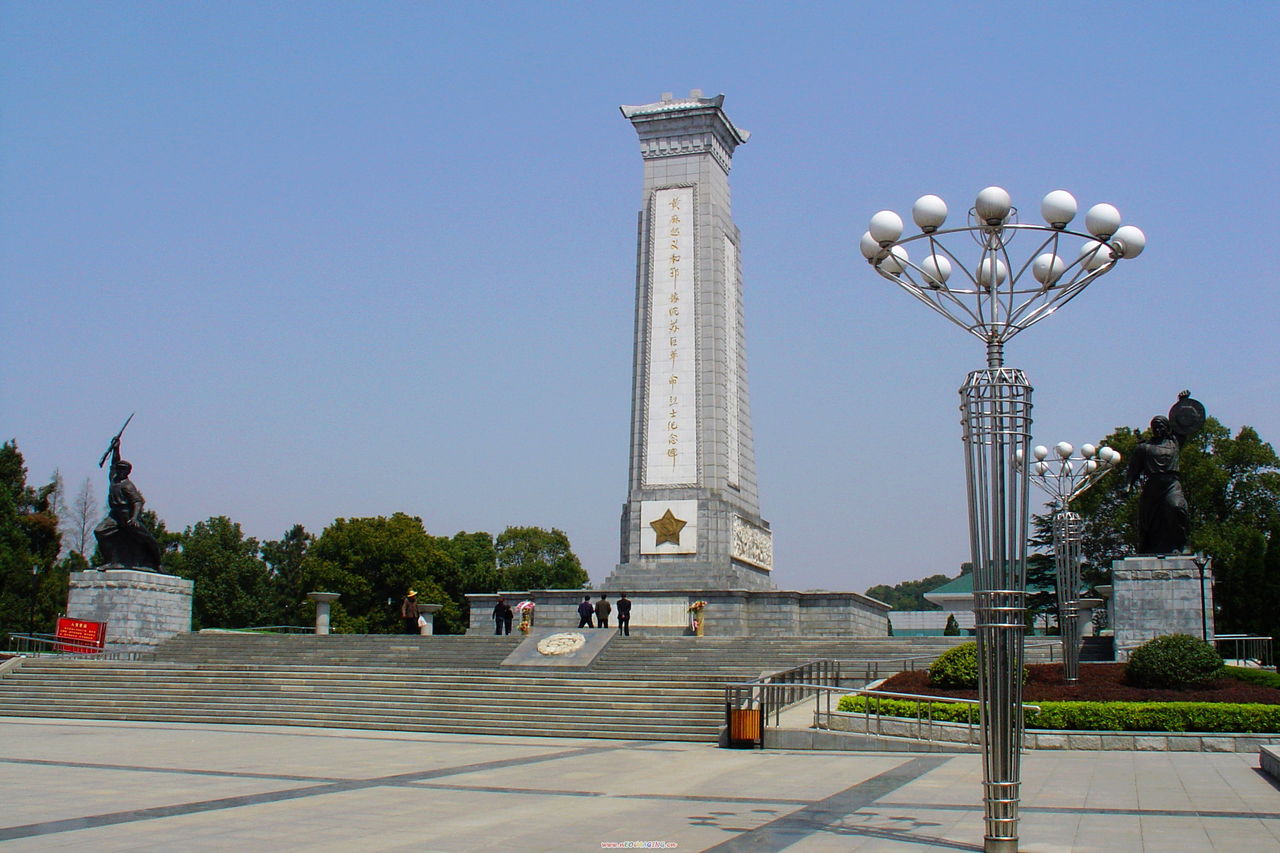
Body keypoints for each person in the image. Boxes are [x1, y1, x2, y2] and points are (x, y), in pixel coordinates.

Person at [1127, 395, 1198, 555]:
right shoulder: (1145, 447)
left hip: (1172, 484)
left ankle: (1182, 543)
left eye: (1160, 426)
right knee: (1150, 521)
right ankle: (1150, 547)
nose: (1157, 429)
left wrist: (1182, 403)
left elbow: (1184, 423)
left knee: (1177, 508)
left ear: (1167, 427)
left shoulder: (1175, 442)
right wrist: (1128, 486)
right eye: (1154, 426)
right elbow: (1133, 470)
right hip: (1153, 486)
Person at [93, 439, 162, 571]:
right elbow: (113, 463)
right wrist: (116, 449)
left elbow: (137, 501)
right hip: (114, 515)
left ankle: (157, 563)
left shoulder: (127, 485)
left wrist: (134, 518)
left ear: (127, 472)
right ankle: (110, 561)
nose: (119, 471)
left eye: (122, 470)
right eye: (119, 469)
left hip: (127, 516)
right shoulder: (114, 479)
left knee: (146, 538)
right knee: (99, 531)